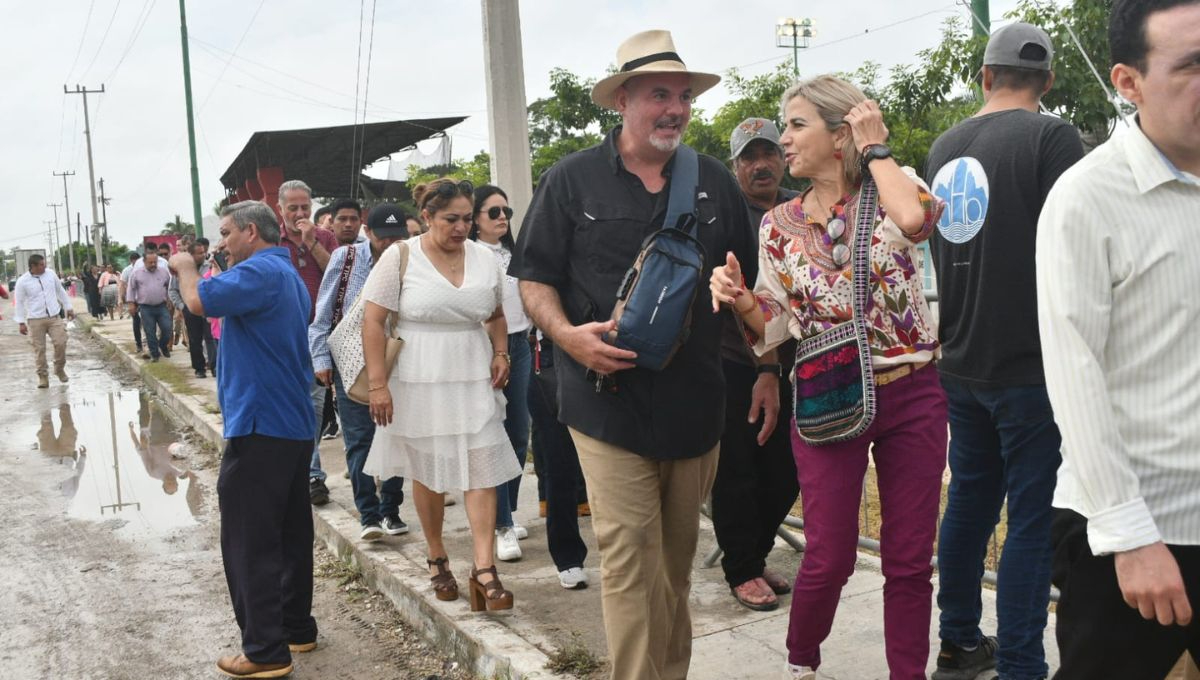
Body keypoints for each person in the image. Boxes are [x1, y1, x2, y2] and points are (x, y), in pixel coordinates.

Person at [511, 30, 757, 679]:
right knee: (627, 560)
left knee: (672, 572)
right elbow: (532, 278)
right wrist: (567, 338)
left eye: (683, 96)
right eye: (658, 95)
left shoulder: (715, 186)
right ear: (623, 100)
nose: (674, 108)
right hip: (603, 403)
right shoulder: (570, 180)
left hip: (695, 405)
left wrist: (734, 294)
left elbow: (747, 286)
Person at [711, 75, 946, 680]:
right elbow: (772, 326)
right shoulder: (777, 226)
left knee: (909, 559)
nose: (783, 140)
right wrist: (738, 299)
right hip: (826, 392)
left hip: (913, 392)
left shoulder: (894, 183)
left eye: (796, 125)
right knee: (829, 556)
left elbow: (916, 223)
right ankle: (802, 663)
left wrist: (878, 148)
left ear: (840, 133)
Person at [1036, 1, 1200, 677]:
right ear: (1128, 82)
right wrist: (1130, 536)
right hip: (1135, 532)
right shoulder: (1088, 198)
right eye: (1192, 66)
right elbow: (1075, 379)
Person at [922, 22, 1085, 680]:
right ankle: (1022, 663)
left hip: (960, 358)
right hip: (1030, 364)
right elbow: (1077, 241)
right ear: (1045, 82)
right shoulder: (1052, 136)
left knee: (969, 501)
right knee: (1031, 516)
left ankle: (959, 640)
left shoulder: (944, 146)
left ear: (984, 77)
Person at [170, 200, 317, 679]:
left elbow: (197, 302)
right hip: (288, 423)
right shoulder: (286, 273)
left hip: (259, 425)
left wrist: (186, 266)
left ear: (251, 232)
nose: (222, 243)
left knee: (250, 541)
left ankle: (265, 649)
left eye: (228, 232)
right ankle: (296, 626)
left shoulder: (259, 273)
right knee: (291, 531)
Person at [361, 177, 520, 612]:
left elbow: (497, 314)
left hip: (472, 370)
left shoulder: (486, 257)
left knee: (483, 465)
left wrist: (501, 351)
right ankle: (437, 556)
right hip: (418, 372)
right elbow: (373, 322)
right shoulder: (400, 256)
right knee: (428, 472)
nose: (461, 228)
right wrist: (377, 385)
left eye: (468, 219)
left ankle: (484, 569)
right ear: (427, 217)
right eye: (451, 219)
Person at [711, 117, 802, 612]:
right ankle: (742, 569)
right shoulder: (728, 214)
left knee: (789, 470)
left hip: (796, 361)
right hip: (738, 362)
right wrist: (764, 367)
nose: (760, 164)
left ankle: (755, 552)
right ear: (735, 166)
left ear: (784, 156)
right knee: (739, 469)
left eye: (768, 153)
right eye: (749, 157)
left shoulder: (798, 207)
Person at [309, 203, 409, 541]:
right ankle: (368, 514)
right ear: (369, 233)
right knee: (359, 439)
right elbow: (322, 316)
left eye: (399, 239)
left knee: (395, 435)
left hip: (396, 359)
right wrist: (321, 360)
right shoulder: (346, 259)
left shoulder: (411, 260)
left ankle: (390, 510)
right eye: (385, 239)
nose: (392, 246)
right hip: (350, 362)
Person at [470, 185, 532, 562]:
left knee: (518, 432)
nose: (502, 218)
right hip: (485, 348)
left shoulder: (514, 255)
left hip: (521, 345)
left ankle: (505, 511)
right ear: (475, 218)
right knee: (493, 433)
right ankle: (501, 524)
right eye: (493, 212)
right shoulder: (470, 256)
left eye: (505, 210)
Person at [276, 179, 340, 506]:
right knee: (290, 404)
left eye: (305, 207)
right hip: (283, 336)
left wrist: (312, 242)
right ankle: (296, 469)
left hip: (318, 334)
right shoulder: (271, 239)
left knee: (315, 406)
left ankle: (313, 473)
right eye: (293, 208)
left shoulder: (325, 238)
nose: (300, 213)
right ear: (281, 209)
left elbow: (335, 275)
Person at [13, 253, 74, 388]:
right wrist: (21, 322)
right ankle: (43, 376)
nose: (44, 266)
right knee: (39, 349)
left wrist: (68, 307)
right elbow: (19, 302)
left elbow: (61, 291)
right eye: (41, 264)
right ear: (33, 266)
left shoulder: (50, 274)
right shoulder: (23, 281)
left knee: (61, 342)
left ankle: (59, 369)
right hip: (35, 320)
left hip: (54, 317)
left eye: (44, 263)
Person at [170, 239, 217, 378]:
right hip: (189, 309)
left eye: (204, 252)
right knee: (195, 338)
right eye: (199, 253)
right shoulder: (180, 270)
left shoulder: (210, 267)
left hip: (207, 307)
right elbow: (172, 290)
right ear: (191, 255)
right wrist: (181, 306)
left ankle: (214, 366)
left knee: (210, 337)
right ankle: (199, 368)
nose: (203, 255)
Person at [126, 250, 173, 362]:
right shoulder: (136, 273)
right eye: (150, 262)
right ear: (144, 261)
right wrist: (131, 303)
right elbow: (131, 288)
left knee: (167, 328)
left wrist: (169, 299)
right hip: (145, 307)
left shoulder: (163, 272)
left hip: (161, 306)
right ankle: (154, 354)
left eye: (155, 262)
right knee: (150, 331)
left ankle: (162, 345)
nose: (153, 265)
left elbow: (169, 287)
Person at [119, 253, 145, 355]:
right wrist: (121, 298)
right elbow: (122, 284)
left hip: (144, 298)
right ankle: (139, 344)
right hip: (133, 300)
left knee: (147, 320)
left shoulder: (144, 268)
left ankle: (148, 343)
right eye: (134, 262)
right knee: (136, 321)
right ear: (131, 261)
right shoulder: (126, 270)